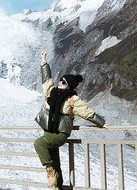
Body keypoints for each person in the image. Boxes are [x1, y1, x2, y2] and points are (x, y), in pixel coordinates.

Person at [33, 49, 105, 189]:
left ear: (69, 86)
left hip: (60, 134)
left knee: (39, 144)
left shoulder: (72, 99)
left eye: (64, 82)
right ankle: (58, 186)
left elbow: (87, 113)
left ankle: (50, 171)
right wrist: (43, 61)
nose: (61, 82)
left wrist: (102, 122)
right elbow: (46, 78)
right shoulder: (51, 91)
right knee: (56, 162)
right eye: (61, 79)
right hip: (48, 131)